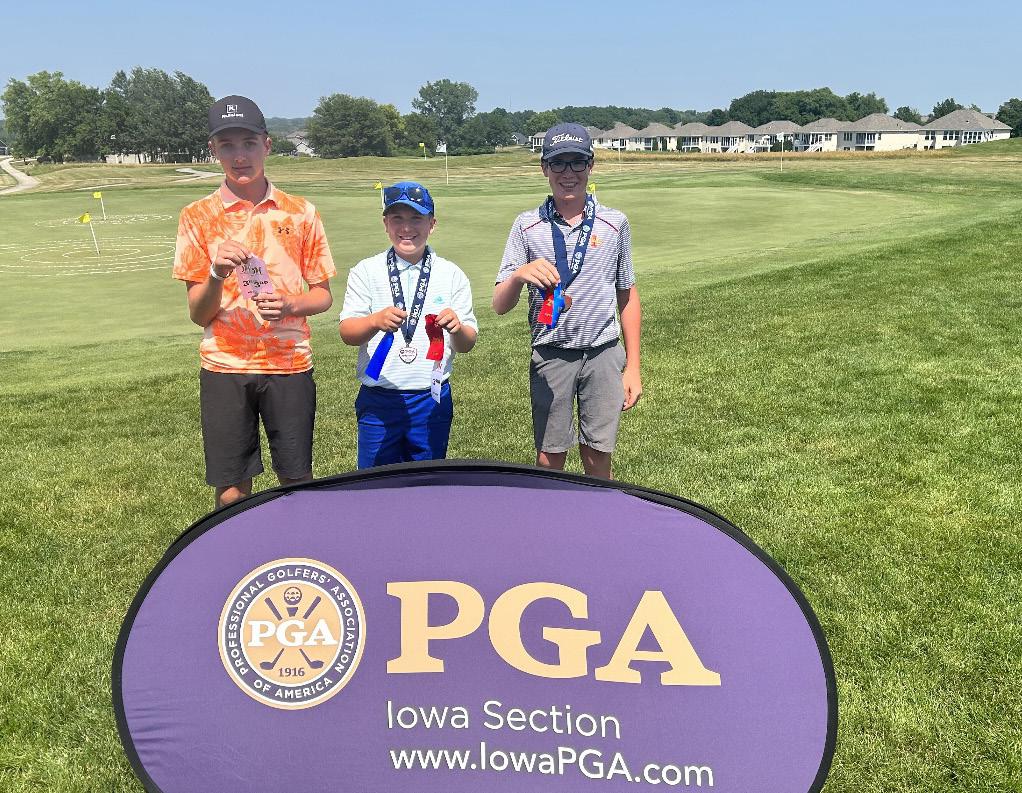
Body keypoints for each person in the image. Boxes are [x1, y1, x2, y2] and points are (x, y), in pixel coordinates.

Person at [173, 95, 336, 507]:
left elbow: (322, 296)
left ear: (266, 144)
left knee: (296, 479)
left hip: (289, 363)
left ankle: (296, 545)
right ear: (213, 150)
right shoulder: (196, 216)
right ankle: (236, 548)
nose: (239, 156)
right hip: (224, 366)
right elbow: (199, 314)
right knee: (232, 488)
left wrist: (290, 305)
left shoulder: (300, 212)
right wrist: (216, 273)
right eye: (227, 145)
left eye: (248, 143)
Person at [493, 123, 642, 479]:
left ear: (591, 165)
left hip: (604, 353)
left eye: (577, 162)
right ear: (544, 168)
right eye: (558, 163)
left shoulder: (614, 223)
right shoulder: (526, 226)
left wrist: (633, 366)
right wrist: (518, 275)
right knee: (550, 458)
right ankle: (555, 514)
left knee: (597, 455)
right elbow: (499, 304)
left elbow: (627, 294)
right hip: (551, 355)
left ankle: (598, 512)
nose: (568, 173)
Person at [339, 181, 477, 469]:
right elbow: (348, 333)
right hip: (379, 398)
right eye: (397, 218)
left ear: (432, 224)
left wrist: (457, 328)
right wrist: (374, 321)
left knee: (426, 480)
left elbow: (467, 343)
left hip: (431, 396)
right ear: (385, 224)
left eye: (416, 218)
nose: (406, 227)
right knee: (374, 482)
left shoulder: (451, 274)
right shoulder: (366, 271)